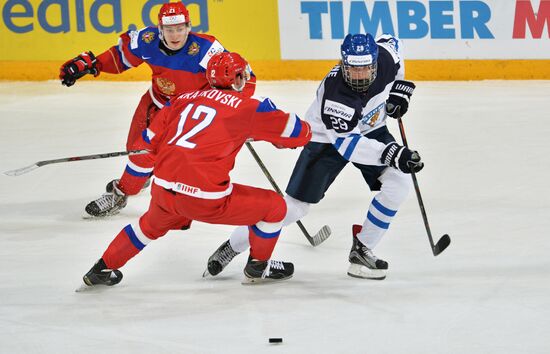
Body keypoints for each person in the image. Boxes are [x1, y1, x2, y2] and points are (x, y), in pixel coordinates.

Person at [79, 51, 312, 288]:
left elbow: (148, 145)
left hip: (163, 191)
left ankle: (101, 268)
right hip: (205, 199)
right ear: (238, 79)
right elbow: (300, 134)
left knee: (147, 227)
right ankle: (258, 268)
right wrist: (269, 118)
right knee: (275, 207)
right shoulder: (249, 107)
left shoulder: (181, 99)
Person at [204, 33, 423, 280]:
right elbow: (349, 146)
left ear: (375, 62)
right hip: (326, 140)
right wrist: (392, 153)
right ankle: (232, 246)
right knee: (294, 208)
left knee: (398, 183)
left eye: (365, 69)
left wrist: (398, 90)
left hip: (371, 127)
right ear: (343, 64)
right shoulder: (336, 95)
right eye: (353, 69)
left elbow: (394, 43)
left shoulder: (385, 56)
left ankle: (362, 250)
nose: (360, 76)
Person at [59, 2, 256, 218]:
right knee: (135, 149)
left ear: (189, 27)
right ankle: (141, 176)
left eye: (180, 29)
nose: (175, 35)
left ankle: (120, 193)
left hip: (190, 113)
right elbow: (120, 57)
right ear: (160, 29)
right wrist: (93, 64)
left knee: (144, 154)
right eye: (169, 30)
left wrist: (233, 109)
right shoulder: (147, 40)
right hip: (157, 103)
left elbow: (245, 78)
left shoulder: (207, 48)